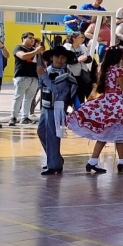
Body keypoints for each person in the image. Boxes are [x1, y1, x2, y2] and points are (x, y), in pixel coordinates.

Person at [38, 47, 78, 175]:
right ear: (51, 58)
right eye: (57, 57)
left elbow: (55, 88)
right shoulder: (48, 70)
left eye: (63, 58)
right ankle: (55, 159)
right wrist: (42, 76)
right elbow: (42, 86)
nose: (60, 60)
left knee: (52, 136)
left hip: (57, 107)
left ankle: (54, 165)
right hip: (46, 106)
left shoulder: (65, 74)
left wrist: (43, 76)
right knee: (42, 132)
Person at [10, 32, 42, 125]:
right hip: (22, 76)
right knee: (18, 97)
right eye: (30, 38)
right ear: (23, 39)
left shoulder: (34, 49)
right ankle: (13, 117)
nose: (32, 40)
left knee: (29, 98)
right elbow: (23, 56)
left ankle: (25, 117)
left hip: (33, 77)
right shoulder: (18, 47)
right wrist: (36, 51)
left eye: (33, 38)